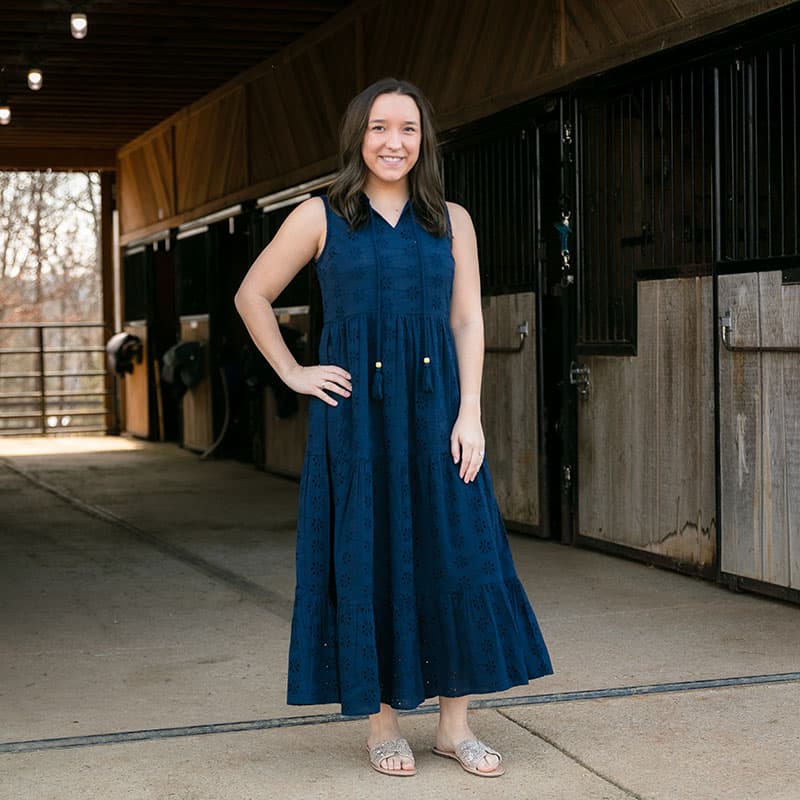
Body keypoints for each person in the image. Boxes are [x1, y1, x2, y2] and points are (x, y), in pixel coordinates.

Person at [235, 77, 553, 779]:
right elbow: (251, 293)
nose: (393, 142)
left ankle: (453, 726)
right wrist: (293, 371)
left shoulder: (452, 219)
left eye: (408, 129)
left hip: (438, 413)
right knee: (367, 555)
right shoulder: (321, 217)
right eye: (379, 128)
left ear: (424, 140)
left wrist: (470, 412)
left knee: (458, 551)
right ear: (358, 137)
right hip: (357, 424)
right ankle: (381, 726)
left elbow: (467, 319)